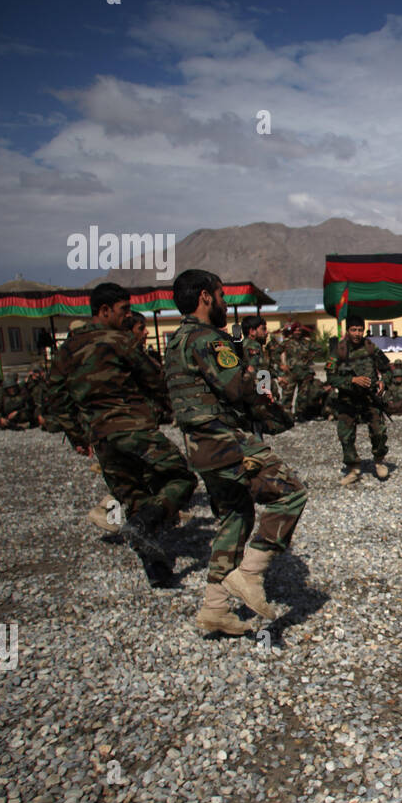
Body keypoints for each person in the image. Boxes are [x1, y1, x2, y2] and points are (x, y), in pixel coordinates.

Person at [164, 269, 308, 635]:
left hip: (199, 446)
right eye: (221, 295)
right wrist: (260, 391)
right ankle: (250, 575)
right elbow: (235, 387)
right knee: (290, 492)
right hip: (223, 441)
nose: (225, 302)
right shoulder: (208, 340)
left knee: (236, 515)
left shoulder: (176, 339)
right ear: (205, 298)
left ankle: (214, 608)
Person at [47, 282, 197, 588]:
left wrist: (77, 436)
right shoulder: (120, 341)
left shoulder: (67, 349)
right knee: (181, 476)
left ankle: (158, 573)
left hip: (101, 437)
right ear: (105, 311)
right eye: (123, 309)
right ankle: (143, 523)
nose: (127, 316)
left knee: (134, 497)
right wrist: (176, 410)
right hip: (134, 429)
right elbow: (154, 379)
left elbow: (54, 398)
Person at [329, 314, 392, 484]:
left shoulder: (371, 348)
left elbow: (387, 369)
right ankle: (354, 468)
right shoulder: (339, 350)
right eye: (353, 330)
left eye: (360, 330)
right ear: (347, 330)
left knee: (378, 431)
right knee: (345, 434)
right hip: (348, 399)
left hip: (370, 398)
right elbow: (331, 378)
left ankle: (379, 461)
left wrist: (382, 383)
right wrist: (352, 380)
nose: (357, 333)